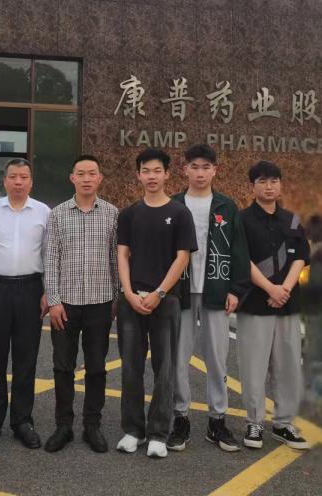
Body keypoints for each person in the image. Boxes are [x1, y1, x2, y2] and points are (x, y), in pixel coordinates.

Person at [116, 148, 196, 459]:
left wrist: (160, 292)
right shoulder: (129, 214)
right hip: (131, 300)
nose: (151, 176)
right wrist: (128, 292)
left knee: (165, 368)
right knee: (130, 367)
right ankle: (133, 430)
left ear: (167, 174)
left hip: (166, 300)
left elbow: (182, 258)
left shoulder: (180, 213)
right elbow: (122, 255)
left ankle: (159, 433)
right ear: (138, 175)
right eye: (146, 171)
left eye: (157, 171)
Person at [169, 144, 248, 453]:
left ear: (215, 170)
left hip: (216, 290)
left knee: (216, 358)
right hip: (181, 292)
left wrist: (235, 290)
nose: (200, 173)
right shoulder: (174, 204)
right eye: (194, 167)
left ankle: (217, 420)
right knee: (179, 357)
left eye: (206, 167)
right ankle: (181, 418)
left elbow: (239, 251)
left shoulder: (227, 207)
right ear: (184, 169)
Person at [0, 158, 51, 449]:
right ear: (4, 181)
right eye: (13, 176)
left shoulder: (43, 212)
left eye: (24, 177)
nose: (18, 182)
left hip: (30, 289)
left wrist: (48, 292)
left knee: (26, 358)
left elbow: (48, 256)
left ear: (31, 181)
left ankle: (22, 421)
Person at [232, 160, 312, 451]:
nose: (269, 187)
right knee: (253, 366)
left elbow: (301, 257)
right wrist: (270, 289)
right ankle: (254, 422)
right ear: (252, 186)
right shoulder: (241, 220)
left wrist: (284, 290)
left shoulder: (291, 220)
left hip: (287, 305)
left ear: (280, 185)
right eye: (263, 181)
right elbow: (242, 260)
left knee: (288, 365)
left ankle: (283, 423)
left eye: (274, 181)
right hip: (255, 304)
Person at [43, 155, 119, 454]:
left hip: (100, 302)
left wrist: (116, 297)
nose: (87, 178)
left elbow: (115, 259)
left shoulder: (112, 213)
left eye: (92, 173)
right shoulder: (58, 214)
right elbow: (51, 260)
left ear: (100, 178)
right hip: (66, 304)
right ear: (72, 178)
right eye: (81, 173)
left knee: (97, 367)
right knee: (63, 367)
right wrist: (53, 301)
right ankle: (63, 425)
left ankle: (92, 425)